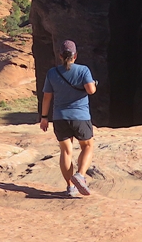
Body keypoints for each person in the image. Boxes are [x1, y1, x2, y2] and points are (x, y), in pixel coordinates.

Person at [40, 39, 97, 197]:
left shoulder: (52, 73)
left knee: (66, 152)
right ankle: (80, 175)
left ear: (60, 56)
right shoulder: (83, 70)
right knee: (87, 146)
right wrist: (93, 84)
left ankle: (70, 187)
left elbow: (46, 98)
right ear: (75, 55)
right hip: (80, 116)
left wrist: (44, 117)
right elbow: (91, 90)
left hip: (60, 117)